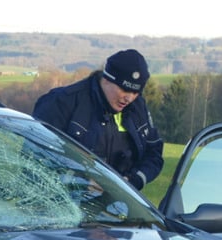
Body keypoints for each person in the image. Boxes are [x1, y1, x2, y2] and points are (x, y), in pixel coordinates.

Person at [33, 49, 163, 190]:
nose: (129, 98)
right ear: (106, 79)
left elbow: (153, 153)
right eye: (124, 89)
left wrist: (133, 180)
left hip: (118, 205)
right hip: (63, 203)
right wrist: (81, 182)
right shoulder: (61, 102)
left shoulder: (138, 107)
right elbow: (35, 157)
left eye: (135, 92)